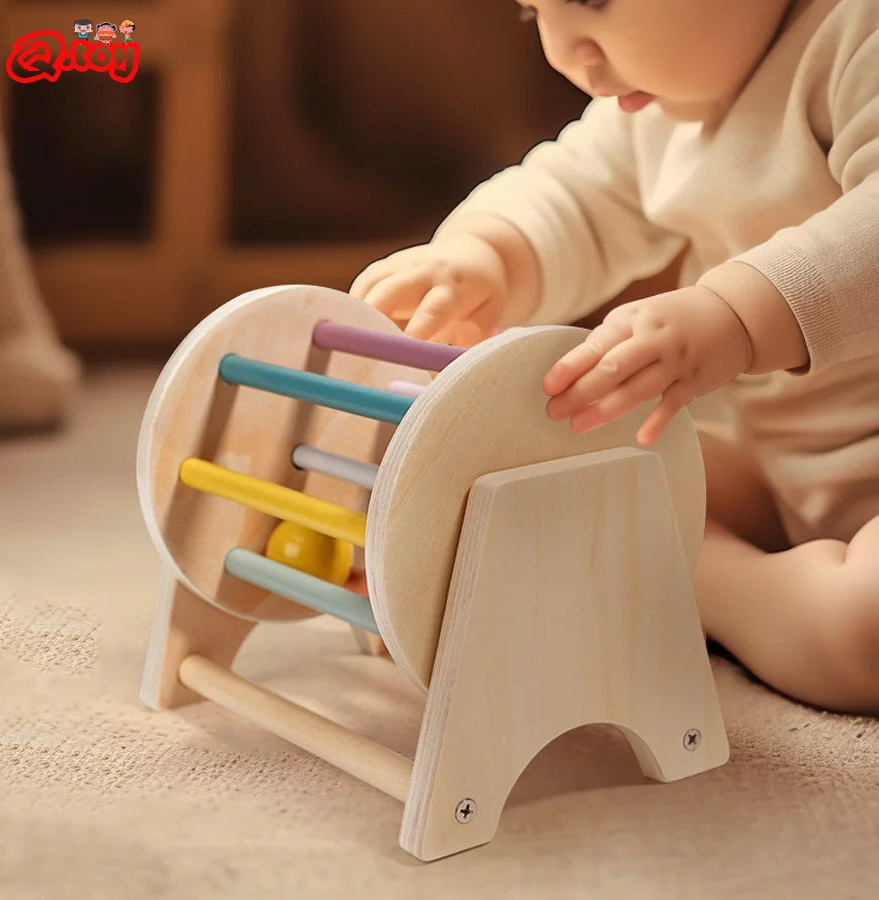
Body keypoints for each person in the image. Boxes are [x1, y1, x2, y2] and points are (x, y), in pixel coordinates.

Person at [350, 0, 879, 715]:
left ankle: (683, 576)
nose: (564, 49)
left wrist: (737, 315)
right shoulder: (661, 109)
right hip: (782, 473)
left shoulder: (857, 34)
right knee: (550, 464)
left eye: (592, 0)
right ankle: (679, 559)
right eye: (532, 9)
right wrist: (485, 257)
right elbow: (573, 195)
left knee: (864, 628)